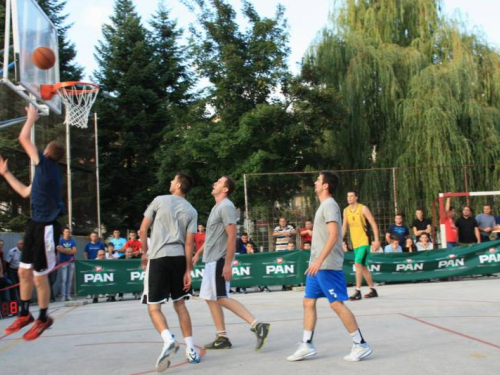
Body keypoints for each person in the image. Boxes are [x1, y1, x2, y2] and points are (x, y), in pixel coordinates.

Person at [287, 171, 372, 363]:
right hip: (317, 265)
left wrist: (318, 261)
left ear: (325, 185)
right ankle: (307, 344)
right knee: (308, 302)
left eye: (318, 180)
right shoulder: (324, 206)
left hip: (326, 265)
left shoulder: (330, 205)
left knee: (336, 304)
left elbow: (334, 235)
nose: (315, 182)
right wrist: (315, 261)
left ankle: (361, 344)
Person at [0, 106, 65, 340]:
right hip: (34, 224)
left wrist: (31, 118)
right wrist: (6, 173)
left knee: (39, 276)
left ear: (47, 151)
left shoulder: (47, 166)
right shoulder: (44, 174)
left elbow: (23, 138)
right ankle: (25, 313)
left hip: (47, 228)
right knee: (23, 273)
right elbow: (26, 192)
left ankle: (43, 317)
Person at [192, 176, 270, 350]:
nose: (214, 183)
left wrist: (227, 264)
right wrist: (197, 253)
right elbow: (213, 237)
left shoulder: (227, 206)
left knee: (221, 298)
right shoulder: (217, 207)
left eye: (218, 182)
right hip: (210, 259)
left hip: (219, 260)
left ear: (225, 189)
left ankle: (257, 325)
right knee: (210, 299)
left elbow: (232, 236)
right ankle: (222, 337)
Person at [139, 173, 200, 371]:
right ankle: (191, 349)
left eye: (173, 180)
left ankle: (168, 339)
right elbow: (189, 242)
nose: (170, 182)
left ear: (179, 185)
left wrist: (144, 253)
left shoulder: (159, 200)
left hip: (158, 257)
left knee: (154, 307)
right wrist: (188, 270)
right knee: (180, 304)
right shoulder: (191, 210)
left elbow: (142, 230)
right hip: (179, 259)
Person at [342, 191, 381, 301]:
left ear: (356, 197)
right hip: (355, 243)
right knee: (363, 267)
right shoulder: (346, 211)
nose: (349, 198)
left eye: (351, 196)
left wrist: (377, 239)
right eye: (348, 196)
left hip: (364, 241)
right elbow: (344, 227)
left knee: (357, 263)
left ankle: (357, 290)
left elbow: (373, 223)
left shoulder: (363, 208)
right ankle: (372, 289)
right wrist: (339, 239)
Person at [58, 228, 77, 301]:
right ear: (63, 232)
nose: (67, 233)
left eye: (68, 232)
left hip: (71, 262)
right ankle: (63, 295)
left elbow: (75, 251)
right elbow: (60, 250)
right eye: (66, 232)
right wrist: (69, 251)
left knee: (69, 279)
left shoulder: (72, 241)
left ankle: (68, 295)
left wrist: (65, 251)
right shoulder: (60, 240)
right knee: (64, 279)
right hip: (63, 262)